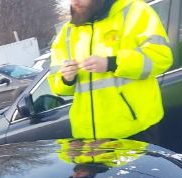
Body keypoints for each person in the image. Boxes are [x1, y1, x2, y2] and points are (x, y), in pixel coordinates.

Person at [49, 0, 173, 141]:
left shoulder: (135, 11)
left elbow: (160, 57)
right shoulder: (67, 32)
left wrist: (112, 63)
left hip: (134, 129)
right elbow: (57, 85)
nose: (75, 1)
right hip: (88, 138)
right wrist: (67, 78)